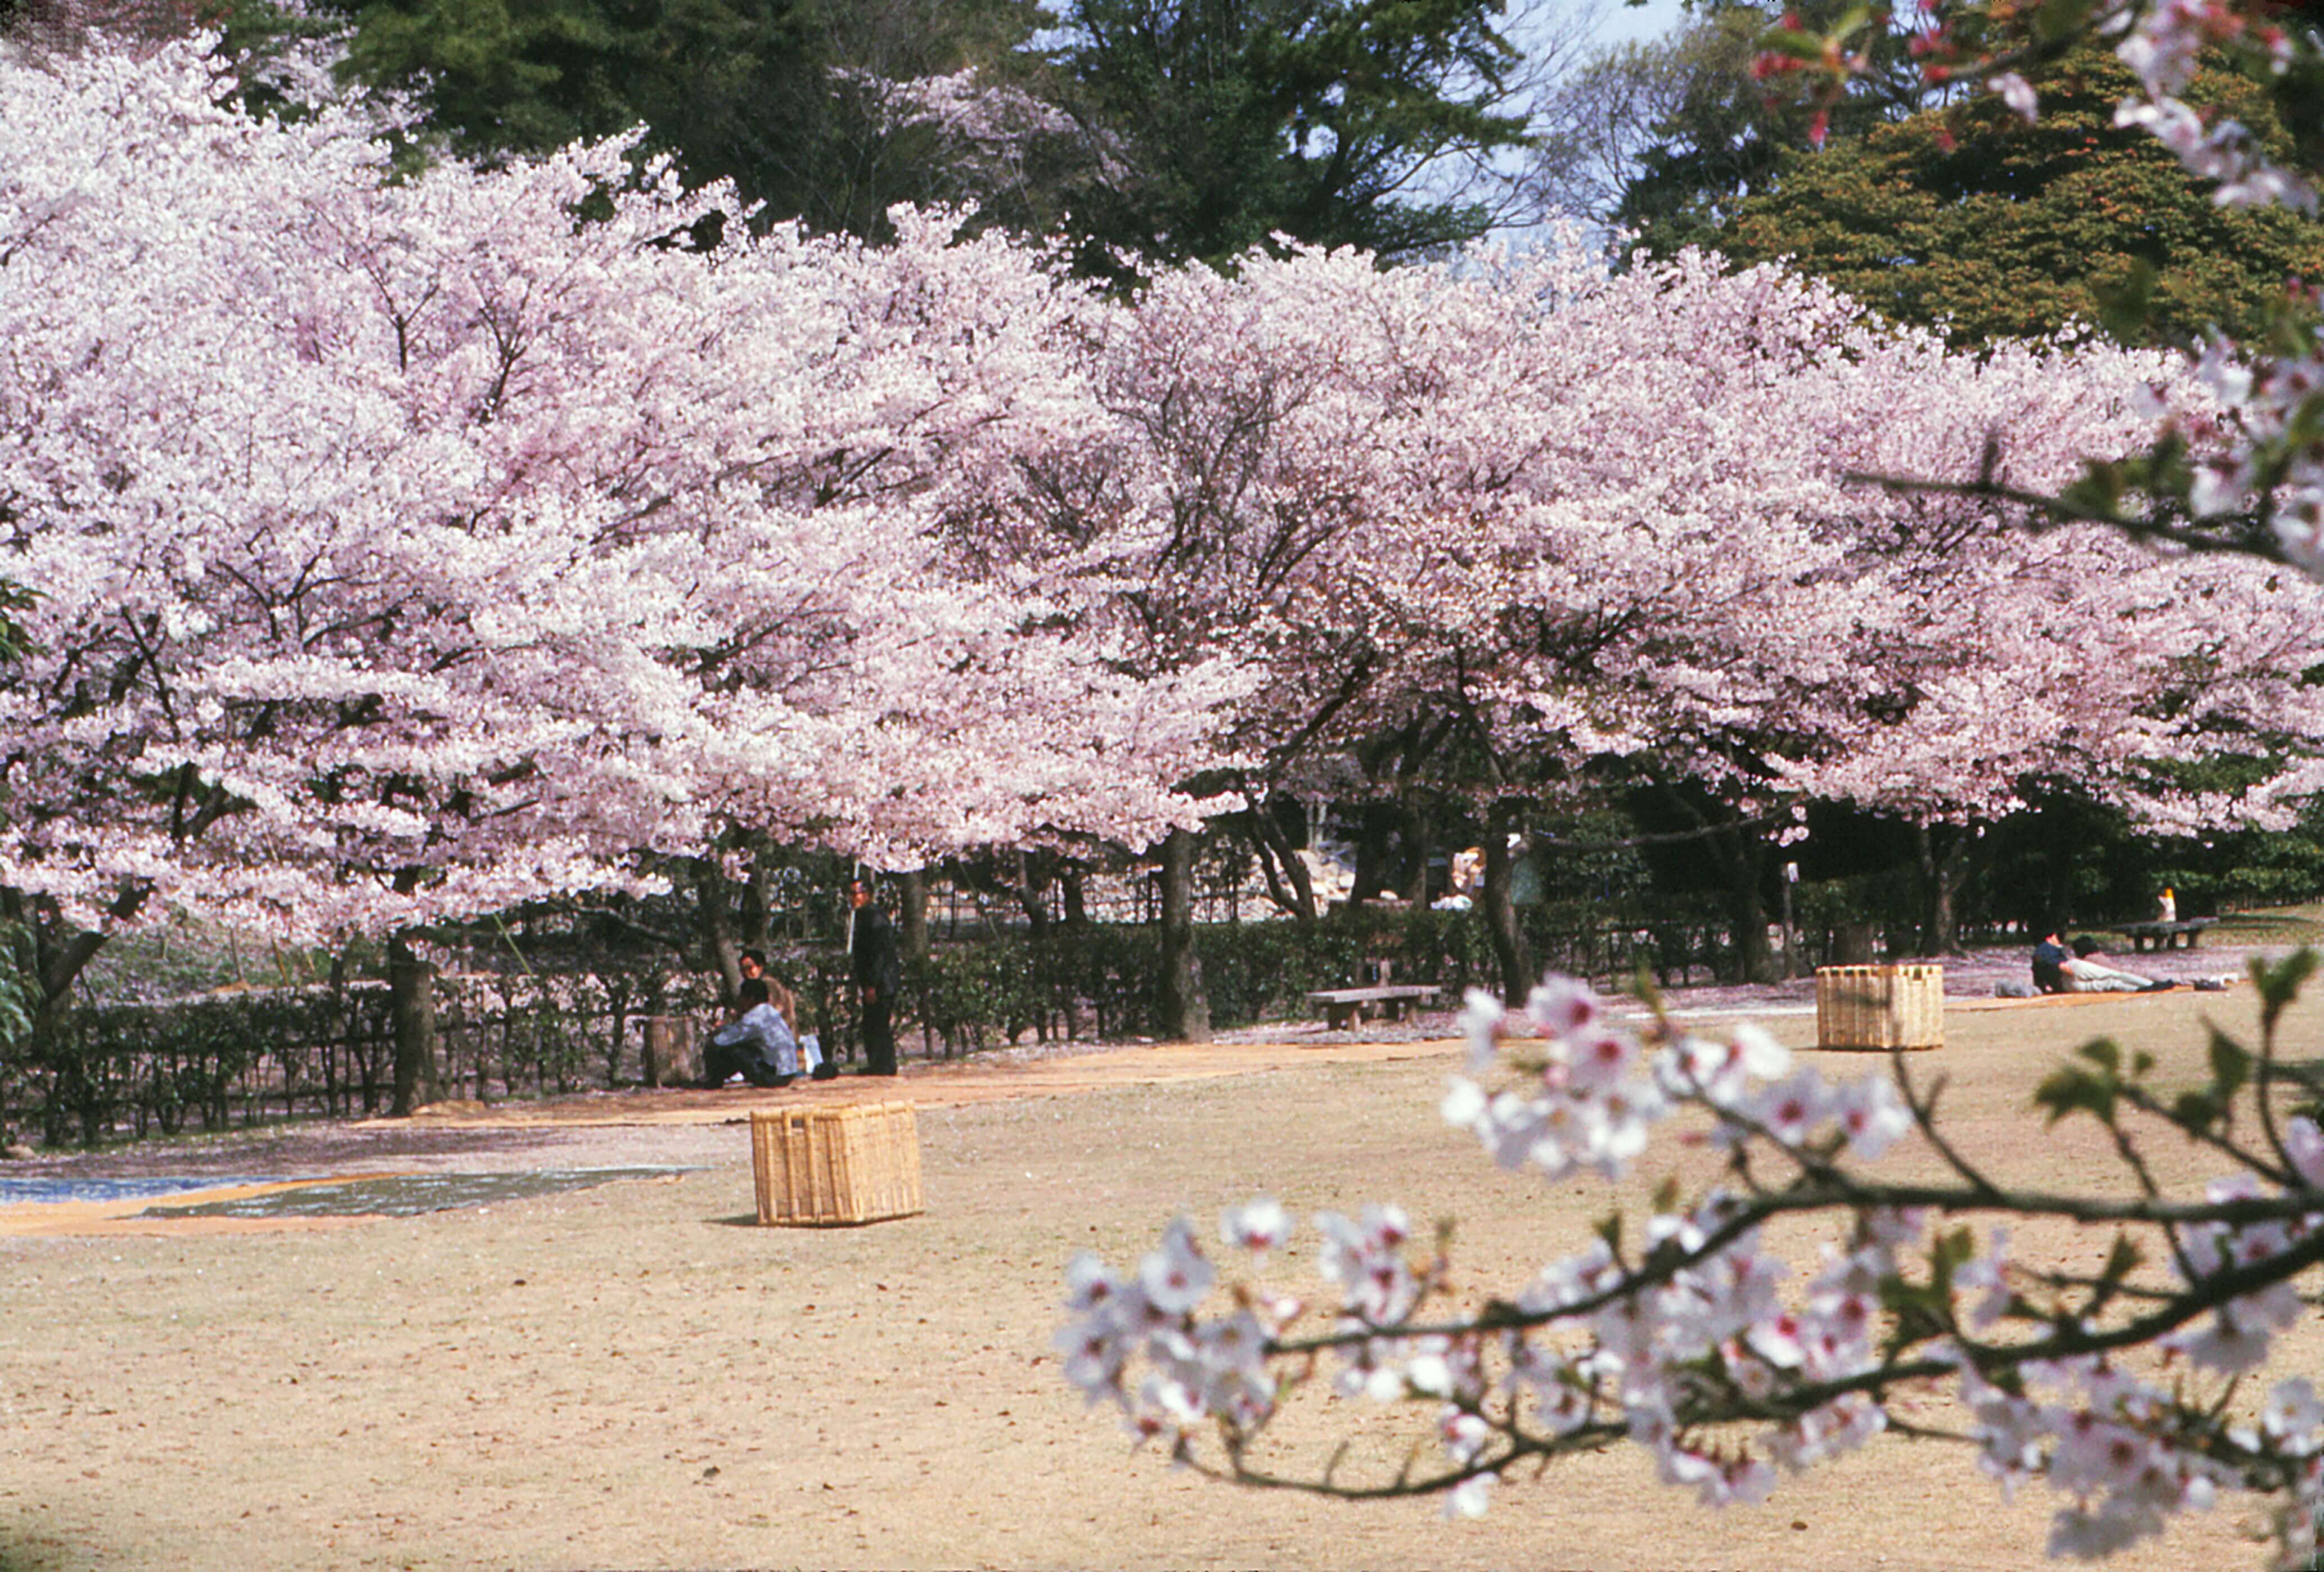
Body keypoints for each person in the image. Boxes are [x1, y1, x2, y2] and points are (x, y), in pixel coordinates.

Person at [702, 949, 801, 1087]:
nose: (745, 972)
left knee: (731, 1048)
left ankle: (713, 1080)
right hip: (782, 1061)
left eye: (749, 968)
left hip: (775, 1063)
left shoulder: (768, 988)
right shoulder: (766, 1009)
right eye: (742, 969)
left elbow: (734, 1035)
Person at [848, 875, 901, 1076]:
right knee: (873, 1023)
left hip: (881, 982)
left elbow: (878, 954)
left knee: (877, 1023)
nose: (853, 898)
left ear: (867, 895)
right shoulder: (865, 916)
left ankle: (884, 1065)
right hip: (879, 980)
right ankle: (879, 1064)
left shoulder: (874, 918)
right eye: (851, 894)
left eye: (857, 893)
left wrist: (871, 985)